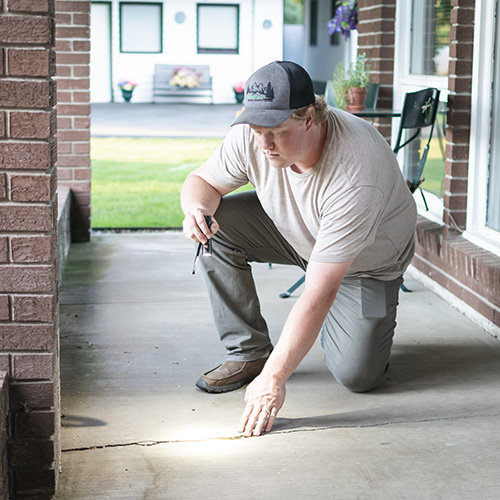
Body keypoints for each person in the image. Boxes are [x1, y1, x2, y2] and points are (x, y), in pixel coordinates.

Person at [181, 61, 417, 437]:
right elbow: (201, 181)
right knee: (216, 225)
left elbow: (319, 290)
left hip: (367, 263)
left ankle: (357, 325)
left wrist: (276, 378)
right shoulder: (255, 134)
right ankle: (249, 353)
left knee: (359, 375)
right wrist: (196, 209)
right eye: (257, 131)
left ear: (310, 118)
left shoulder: (355, 172)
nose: (263, 144)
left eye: (275, 133)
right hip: (297, 234)